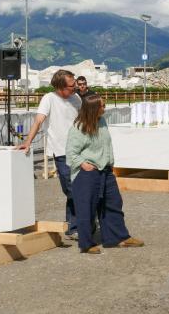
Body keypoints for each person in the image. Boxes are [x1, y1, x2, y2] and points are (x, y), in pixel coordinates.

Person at [66, 94, 143, 254]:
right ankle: (86, 244)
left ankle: (118, 237)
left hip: (105, 170)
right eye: (102, 106)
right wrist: (83, 164)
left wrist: (110, 162)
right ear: (94, 108)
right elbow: (71, 153)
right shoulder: (78, 128)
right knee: (86, 208)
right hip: (87, 172)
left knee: (113, 203)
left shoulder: (101, 121)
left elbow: (106, 145)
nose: (105, 108)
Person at [17, 70, 82, 239]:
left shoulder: (77, 99)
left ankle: (74, 226)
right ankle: (78, 224)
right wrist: (27, 142)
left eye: (75, 83)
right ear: (60, 87)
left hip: (80, 150)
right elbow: (38, 120)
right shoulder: (49, 99)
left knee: (80, 187)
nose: (75, 87)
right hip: (61, 151)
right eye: (71, 85)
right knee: (71, 189)